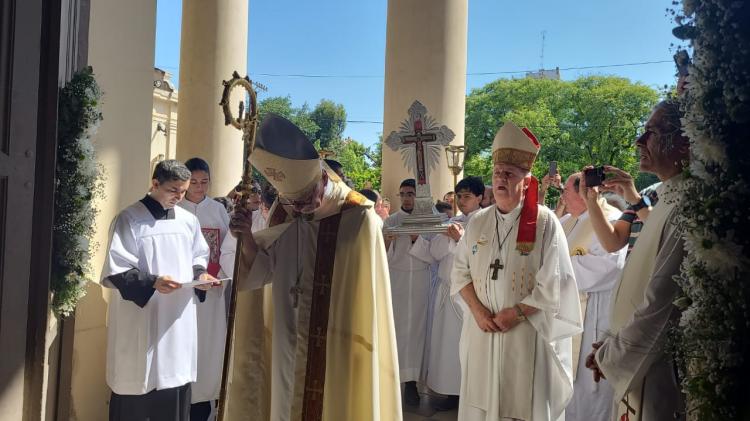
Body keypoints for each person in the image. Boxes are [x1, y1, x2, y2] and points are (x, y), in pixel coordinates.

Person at [225, 114, 401, 421]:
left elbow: (365, 300)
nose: (299, 209)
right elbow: (265, 272)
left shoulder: (359, 219)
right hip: (286, 339)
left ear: (323, 181)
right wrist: (248, 240)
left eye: (305, 200)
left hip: (337, 344)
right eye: (291, 202)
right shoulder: (285, 212)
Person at [451, 121, 582, 421]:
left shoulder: (546, 222)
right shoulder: (478, 222)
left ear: (527, 180)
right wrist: (478, 311)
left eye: (510, 173)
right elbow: (459, 273)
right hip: (482, 331)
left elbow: (556, 283)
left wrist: (518, 313)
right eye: (497, 173)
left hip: (525, 334)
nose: (501, 179)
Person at [585, 100, 690, 421]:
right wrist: (611, 342)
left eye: (651, 133)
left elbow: (661, 300)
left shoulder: (685, 203)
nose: (639, 142)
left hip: (656, 366)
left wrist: (613, 353)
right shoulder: (670, 195)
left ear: (685, 141)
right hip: (631, 348)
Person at [101, 159, 219, 421]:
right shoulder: (129, 219)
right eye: (173, 190)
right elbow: (117, 270)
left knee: (174, 386)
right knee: (137, 385)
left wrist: (202, 276)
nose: (180, 196)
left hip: (177, 321)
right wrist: (153, 281)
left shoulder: (188, 221)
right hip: (141, 320)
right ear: (155, 184)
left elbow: (198, 256)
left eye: (183, 191)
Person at [410, 176, 484, 411]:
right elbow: (435, 253)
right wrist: (425, 239)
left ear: (480, 197)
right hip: (445, 289)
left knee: (464, 345)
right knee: (446, 345)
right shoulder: (452, 220)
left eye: (468, 196)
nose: (462, 201)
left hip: (469, 294)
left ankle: (466, 395)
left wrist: (460, 239)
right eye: (459, 196)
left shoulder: (486, 222)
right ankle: (450, 392)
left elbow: (481, 256)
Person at [559, 173, 626, 421]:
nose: (563, 195)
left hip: (593, 317)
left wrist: (556, 267)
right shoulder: (567, 220)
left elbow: (606, 268)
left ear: (584, 192)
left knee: (590, 389)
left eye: (566, 189)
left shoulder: (611, 220)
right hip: (564, 313)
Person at [177, 157, 231, 421]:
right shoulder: (176, 209)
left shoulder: (219, 211)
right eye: (194, 182)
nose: (199, 187)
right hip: (182, 293)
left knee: (208, 350)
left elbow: (229, 249)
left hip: (212, 293)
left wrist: (219, 275)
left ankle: (205, 407)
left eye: (204, 182)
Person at [383, 178, 434, 406]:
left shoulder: (429, 219)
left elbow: (435, 253)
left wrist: (416, 239)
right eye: (402, 193)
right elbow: (382, 256)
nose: (406, 197)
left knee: (418, 333)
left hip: (422, 280)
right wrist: (387, 241)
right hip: (398, 282)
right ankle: (394, 381)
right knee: (398, 330)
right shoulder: (391, 221)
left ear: (418, 196)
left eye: (410, 193)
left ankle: (413, 384)